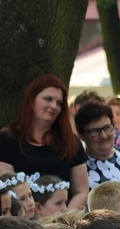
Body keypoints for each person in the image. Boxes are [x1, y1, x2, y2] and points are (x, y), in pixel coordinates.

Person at [0, 75, 89, 210]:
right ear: (32, 99)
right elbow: (8, 189)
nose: (54, 106)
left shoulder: (72, 142)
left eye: (59, 103)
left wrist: (64, 218)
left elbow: (81, 192)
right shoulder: (7, 140)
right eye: (48, 99)